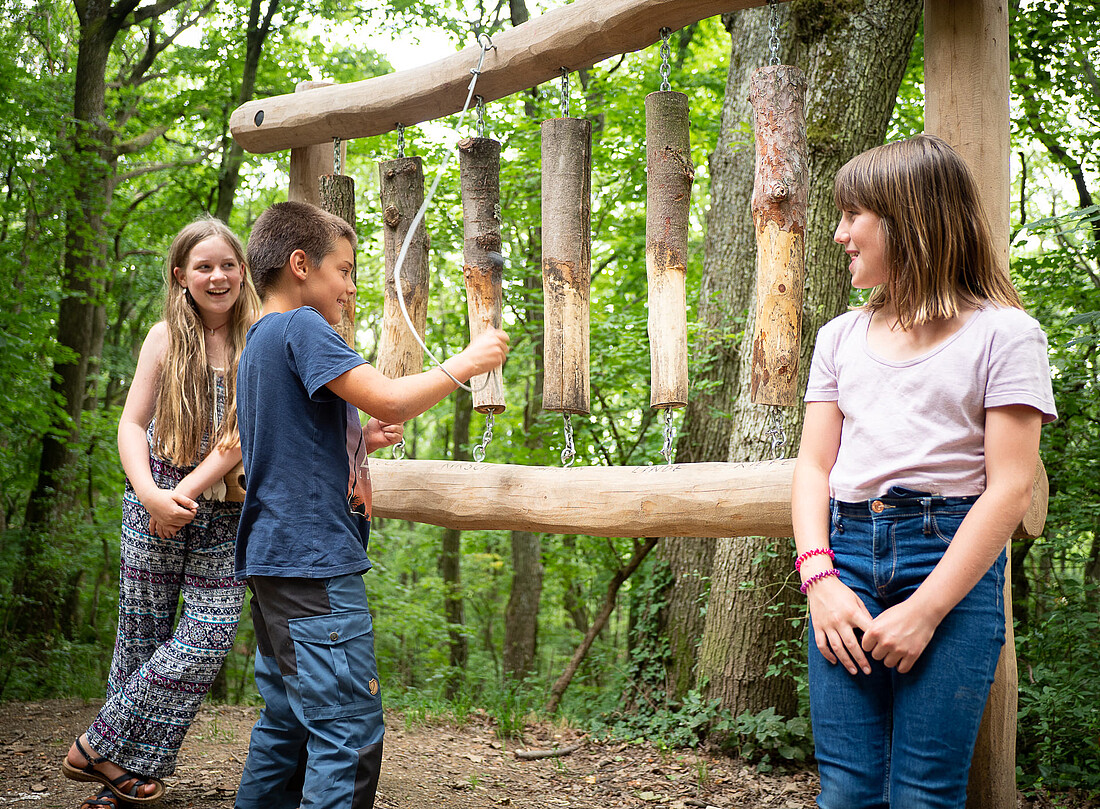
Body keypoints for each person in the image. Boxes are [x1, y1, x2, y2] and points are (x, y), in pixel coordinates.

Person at [791, 133, 1057, 808]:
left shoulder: (1006, 334)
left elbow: (1011, 487)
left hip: (953, 564)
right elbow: (813, 465)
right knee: (847, 792)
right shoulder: (839, 337)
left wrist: (928, 607)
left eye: (853, 215)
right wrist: (819, 578)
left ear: (907, 220)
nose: (838, 232)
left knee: (923, 794)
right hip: (845, 555)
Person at [232, 201, 508, 809]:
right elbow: (388, 398)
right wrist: (467, 362)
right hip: (314, 565)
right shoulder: (303, 327)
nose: (352, 288)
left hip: (273, 561)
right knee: (346, 729)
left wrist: (355, 435)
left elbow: (286, 440)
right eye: (345, 270)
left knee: (288, 724)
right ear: (301, 266)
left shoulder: (258, 342)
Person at [62, 218, 261, 809]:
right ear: (181, 275)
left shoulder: (263, 337)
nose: (218, 276)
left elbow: (240, 440)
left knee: (210, 631)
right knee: (141, 639)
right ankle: (123, 778)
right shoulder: (164, 338)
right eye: (204, 267)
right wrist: (150, 493)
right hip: (153, 498)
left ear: (243, 269)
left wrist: (186, 498)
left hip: (225, 511)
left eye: (228, 264)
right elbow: (131, 425)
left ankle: (98, 744)